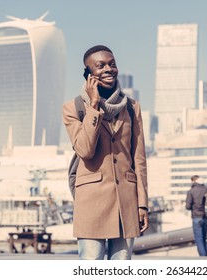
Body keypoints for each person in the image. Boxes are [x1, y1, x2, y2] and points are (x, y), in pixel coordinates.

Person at [62, 45, 149, 260]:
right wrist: (93, 106)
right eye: (100, 66)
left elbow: (139, 159)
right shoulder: (73, 108)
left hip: (126, 201)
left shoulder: (131, 107)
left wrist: (142, 204)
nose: (109, 69)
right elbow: (84, 150)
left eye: (112, 64)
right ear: (88, 74)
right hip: (92, 201)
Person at [185, 175, 207, 256]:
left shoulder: (191, 191)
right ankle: (206, 256)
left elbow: (188, 207)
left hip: (197, 217)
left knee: (199, 239)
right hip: (206, 217)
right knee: (204, 238)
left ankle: (203, 259)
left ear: (193, 181)